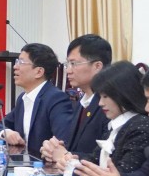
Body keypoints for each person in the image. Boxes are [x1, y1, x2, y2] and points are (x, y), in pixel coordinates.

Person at [54, 61, 149, 173]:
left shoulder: (141, 127)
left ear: (124, 94)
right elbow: (94, 160)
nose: (100, 103)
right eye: (99, 97)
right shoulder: (116, 124)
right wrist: (68, 161)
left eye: (105, 96)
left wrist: (72, 167)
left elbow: (120, 175)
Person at [0, 43, 74, 157]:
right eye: (17, 61)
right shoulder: (23, 98)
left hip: (44, 165)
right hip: (22, 163)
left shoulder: (56, 99)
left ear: (39, 72)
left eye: (21, 62)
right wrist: (6, 132)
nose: (15, 67)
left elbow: (62, 143)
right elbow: (0, 124)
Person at [41, 34, 112, 162]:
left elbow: (106, 157)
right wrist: (53, 149)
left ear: (97, 66)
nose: (68, 70)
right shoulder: (81, 102)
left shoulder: (110, 105)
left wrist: (65, 155)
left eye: (74, 63)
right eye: (68, 63)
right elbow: (72, 146)